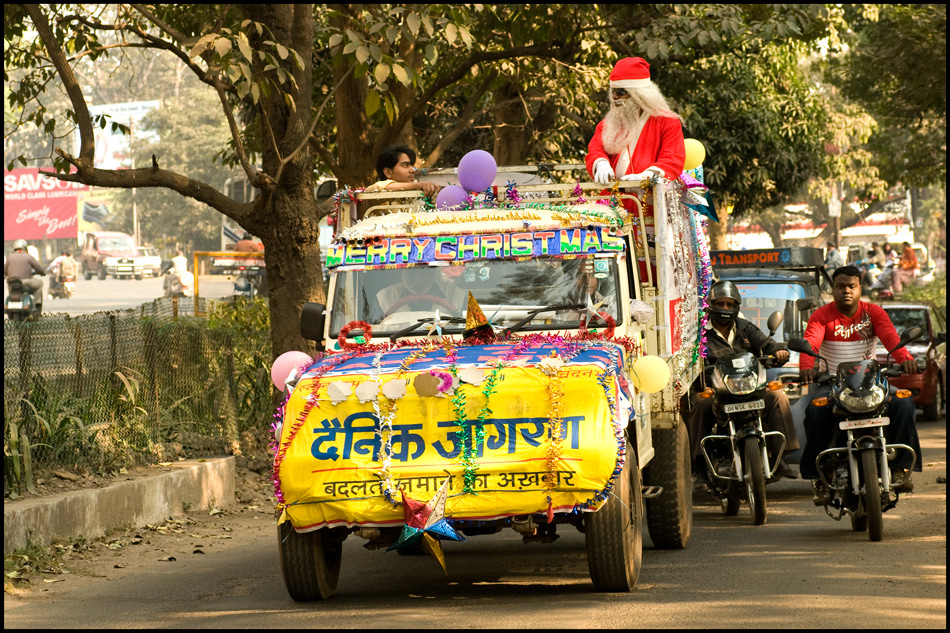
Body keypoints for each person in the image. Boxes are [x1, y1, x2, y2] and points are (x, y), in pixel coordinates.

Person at [798, 265, 921, 503]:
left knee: (904, 403)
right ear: (832, 289)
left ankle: (901, 468)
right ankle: (819, 477)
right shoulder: (821, 315)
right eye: (840, 286)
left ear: (860, 289)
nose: (846, 291)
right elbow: (810, 343)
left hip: (871, 383)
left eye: (851, 286)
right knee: (815, 410)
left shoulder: (873, 312)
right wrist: (806, 368)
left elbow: (891, 337)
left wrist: (906, 360)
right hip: (833, 383)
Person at [686, 280, 799, 481]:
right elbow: (688, 358)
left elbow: (767, 344)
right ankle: (700, 465)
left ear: (737, 306)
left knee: (778, 397)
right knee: (700, 405)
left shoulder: (745, 328)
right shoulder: (700, 333)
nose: (725, 308)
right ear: (711, 304)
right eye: (720, 304)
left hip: (750, 389)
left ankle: (780, 457)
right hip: (717, 393)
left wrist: (779, 352)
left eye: (730, 304)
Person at [585, 56, 686, 185]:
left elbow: (672, 158)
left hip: (649, 199)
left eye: (621, 92)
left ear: (640, 95)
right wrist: (601, 163)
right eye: (613, 91)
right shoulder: (607, 123)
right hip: (613, 197)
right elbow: (595, 149)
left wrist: (649, 176)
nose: (615, 96)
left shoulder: (667, 122)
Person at [375, 266, 466, 318]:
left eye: (423, 272)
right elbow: (373, 332)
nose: (417, 279)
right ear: (401, 273)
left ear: (433, 273)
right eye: (411, 273)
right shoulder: (384, 297)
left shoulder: (457, 295)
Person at [367, 145, 440, 197]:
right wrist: (420, 185)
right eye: (405, 165)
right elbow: (381, 186)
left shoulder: (412, 191)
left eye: (411, 165)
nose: (413, 170)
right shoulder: (376, 188)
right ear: (388, 172)